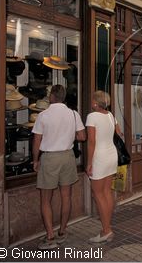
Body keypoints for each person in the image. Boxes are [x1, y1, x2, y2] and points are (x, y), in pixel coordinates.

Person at [32, 84, 86, 250]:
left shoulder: (43, 115)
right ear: (63, 97)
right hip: (67, 157)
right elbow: (82, 137)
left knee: (45, 199)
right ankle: (63, 231)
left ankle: (50, 236)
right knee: (66, 196)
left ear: (51, 97)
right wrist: (68, 136)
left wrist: (35, 160)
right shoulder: (73, 114)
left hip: (49, 158)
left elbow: (37, 141)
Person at [86, 90, 123, 243]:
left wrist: (88, 162)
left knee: (98, 194)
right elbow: (119, 133)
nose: (90, 101)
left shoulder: (92, 116)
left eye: (92, 99)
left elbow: (91, 142)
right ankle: (107, 228)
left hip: (99, 158)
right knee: (107, 192)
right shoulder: (110, 115)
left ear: (95, 102)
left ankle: (106, 230)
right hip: (111, 155)